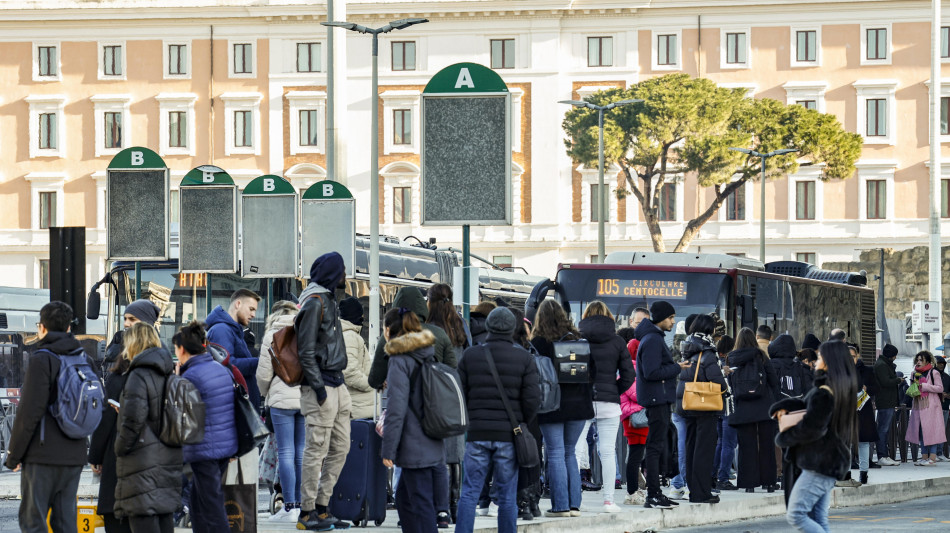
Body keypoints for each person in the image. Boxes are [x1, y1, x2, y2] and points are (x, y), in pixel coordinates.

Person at [5, 302, 95, 532]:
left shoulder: (42, 359)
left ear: (42, 328)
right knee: (65, 523)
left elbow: (29, 412)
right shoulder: (83, 359)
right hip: (74, 456)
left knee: (33, 522)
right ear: (68, 328)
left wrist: (14, 455)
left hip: (43, 456)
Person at [456, 307, 539, 533]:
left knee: (469, 492)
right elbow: (533, 399)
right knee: (507, 496)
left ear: (488, 326)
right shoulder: (524, 358)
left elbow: (459, 394)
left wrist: (472, 418)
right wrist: (520, 421)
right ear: (513, 328)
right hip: (509, 435)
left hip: (477, 433)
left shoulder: (470, 355)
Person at [772, 341, 858, 533]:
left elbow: (812, 427)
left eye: (820, 358)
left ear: (827, 362)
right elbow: (808, 408)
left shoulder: (824, 393)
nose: (816, 361)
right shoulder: (838, 388)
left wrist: (784, 438)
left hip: (819, 461)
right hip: (830, 460)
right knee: (818, 517)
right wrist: (784, 407)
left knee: (796, 514)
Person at [295, 252, 352, 530]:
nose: (345, 276)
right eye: (342, 271)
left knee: (341, 447)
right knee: (316, 449)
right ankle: (306, 512)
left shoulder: (327, 299)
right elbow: (305, 351)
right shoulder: (315, 302)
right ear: (333, 273)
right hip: (322, 386)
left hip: (337, 383)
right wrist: (319, 389)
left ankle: (322, 507)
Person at [381, 308, 445, 533]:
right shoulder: (427, 354)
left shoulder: (400, 360)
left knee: (420, 504)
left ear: (388, 330)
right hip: (431, 437)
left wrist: (388, 449)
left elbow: (396, 408)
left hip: (413, 444)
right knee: (405, 500)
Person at [114, 322, 182, 533]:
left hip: (141, 461)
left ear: (134, 343)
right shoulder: (169, 373)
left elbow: (133, 420)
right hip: (167, 458)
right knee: (164, 517)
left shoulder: (138, 375)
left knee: (143, 518)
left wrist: (119, 447)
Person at [532, 299, 593, 517]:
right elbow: (591, 374)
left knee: (555, 453)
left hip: (551, 405)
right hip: (579, 407)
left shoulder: (539, 342)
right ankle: (574, 505)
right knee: (570, 453)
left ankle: (560, 506)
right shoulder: (578, 340)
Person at [175, 321, 238, 532]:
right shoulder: (220, 369)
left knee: (212, 505)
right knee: (197, 501)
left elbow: (180, 412)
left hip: (204, 449)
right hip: (223, 446)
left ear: (182, 349)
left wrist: (176, 380)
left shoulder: (191, 375)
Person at [579, 301, 635, 512]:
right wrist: (613, 390)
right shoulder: (618, 341)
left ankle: (576, 501)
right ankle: (609, 501)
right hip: (609, 403)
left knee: (575, 451)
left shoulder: (578, 339)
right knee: (608, 452)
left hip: (582, 401)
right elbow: (629, 376)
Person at [635, 301, 689, 510]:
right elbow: (651, 372)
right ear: (660, 318)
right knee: (655, 446)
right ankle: (653, 494)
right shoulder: (652, 340)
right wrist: (677, 368)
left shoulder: (653, 338)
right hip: (656, 399)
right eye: (670, 317)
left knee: (657, 445)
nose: (673, 322)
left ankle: (656, 493)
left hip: (658, 399)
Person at [256, 300, 305, 522]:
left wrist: (265, 393)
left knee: (285, 452)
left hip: (280, 400)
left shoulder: (271, 336)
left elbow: (263, 375)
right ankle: (302, 506)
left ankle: (289, 507)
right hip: (304, 398)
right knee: (301, 452)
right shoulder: (304, 333)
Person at [425, 283, 468, 524]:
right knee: (455, 453)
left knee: (438, 454)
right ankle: (454, 506)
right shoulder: (461, 326)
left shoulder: (430, 329)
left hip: (435, 395)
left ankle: (440, 507)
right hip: (457, 394)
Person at [674, 315, 727, 505]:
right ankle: (701, 492)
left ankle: (693, 489)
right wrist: (725, 384)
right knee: (704, 450)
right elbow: (717, 381)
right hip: (705, 405)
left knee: (691, 448)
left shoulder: (687, 348)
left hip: (687, 404)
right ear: (709, 330)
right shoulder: (707, 351)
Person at [89, 327, 134, 533]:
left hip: (117, 454)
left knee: (116, 516)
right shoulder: (161, 375)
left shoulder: (117, 379)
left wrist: (95, 457)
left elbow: (105, 421)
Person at [729, 328, 780, 493]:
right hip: (764, 406)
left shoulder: (732, 358)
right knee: (767, 445)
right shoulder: (762, 356)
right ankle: (769, 482)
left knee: (746, 446)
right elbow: (774, 382)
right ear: (754, 339)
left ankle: (748, 483)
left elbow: (729, 383)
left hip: (742, 407)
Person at [509, 308, 544, 520]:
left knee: (514, 458)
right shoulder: (531, 351)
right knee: (531, 455)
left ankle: (520, 501)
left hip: (510, 415)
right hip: (530, 416)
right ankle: (532, 501)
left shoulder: (502, 350)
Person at [205, 288, 261, 410]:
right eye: (251, 309)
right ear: (238, 304)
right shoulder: (222, 330)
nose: (253, 315)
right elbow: (228, 365)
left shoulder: (232, 330)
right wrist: (260, 362)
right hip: (236, 407)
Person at [620, 333, 649, 506]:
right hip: (635, 418)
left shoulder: (630, 368)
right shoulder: (633, 369)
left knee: (636, 455)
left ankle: (633, 490)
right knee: (635, 456)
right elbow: (637, 394)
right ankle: (631, 492)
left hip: (634, 417)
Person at [905, 351, 946, 467]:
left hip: (931, 406)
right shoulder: (914, 373)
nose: (918, 362)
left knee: (932, 431)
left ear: (927, 361)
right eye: (917, 360)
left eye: (921, 360)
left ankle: (932, 458)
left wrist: (924, 386)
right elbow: (913, 387)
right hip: (918, 405)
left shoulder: (934, 372)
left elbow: (940, 388)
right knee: (921, 432)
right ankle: (924, 457)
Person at [339, 297, 375, 419]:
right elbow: (349, 371)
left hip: (360, 406)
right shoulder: (349, 336)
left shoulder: (350, 334)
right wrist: (370, 384)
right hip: (359, 407)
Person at [103, 299, 162, 373]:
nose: (126, 323)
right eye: (125, 319)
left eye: (132, 319)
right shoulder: (118, 339)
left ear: (146, 323)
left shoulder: (156, 352)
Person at [849, 343, 879, 485]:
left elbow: (876, 388)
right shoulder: (840, 372)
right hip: (847, 410)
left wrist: (867, 388)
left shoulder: (867, 370)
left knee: (863, 442)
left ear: (858, 356)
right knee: (846, 442)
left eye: (853, 356)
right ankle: (846, 473)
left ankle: (864, 473)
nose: (851, 359)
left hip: (864, 410)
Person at [714, 335, 738, 491]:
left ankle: (713, 474)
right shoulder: (729, 365)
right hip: (729, 406)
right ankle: (723, 477)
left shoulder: (715, 363)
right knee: (729, 444)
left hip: (717, 405)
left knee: (720, 442)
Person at [872, 344, 901, 466]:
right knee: (883, 429)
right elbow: (885, 382)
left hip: (887, 401)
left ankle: (884, 455)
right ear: (891, 355)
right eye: (894, 355)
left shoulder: (883, 364)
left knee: (885, 429)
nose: (895, 358)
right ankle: (882, 455)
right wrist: (898, 380)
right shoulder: (882, 365)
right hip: (885, 401)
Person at [934, 356, 950, 461]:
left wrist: (947, 395)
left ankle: (939, 453)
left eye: (943, 363)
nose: (941, 365)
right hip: (934, 407)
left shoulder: (947, 377)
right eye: (939, 363)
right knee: (933, 430)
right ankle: (933, 453)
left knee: (942, 431)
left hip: (944, 406)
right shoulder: (931, 375)